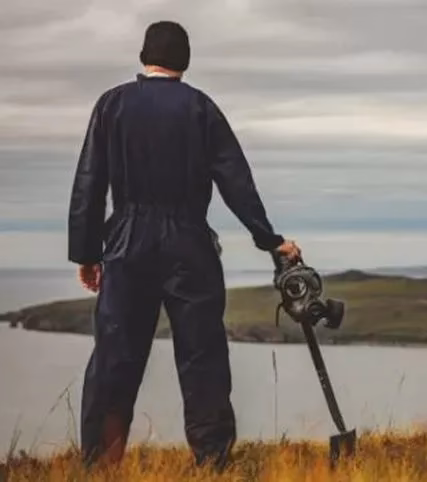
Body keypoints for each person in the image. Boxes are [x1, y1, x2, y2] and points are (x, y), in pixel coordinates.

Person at [67, 20, 300, 470]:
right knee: (202, 356)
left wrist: (87, 254)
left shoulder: (112, 105)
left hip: (126, 242)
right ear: (185, 60)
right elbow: (236, 180)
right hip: (189, 243)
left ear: (143, 56)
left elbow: (89, 184)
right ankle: (212, 463)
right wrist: (269, 240)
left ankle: (98, 465)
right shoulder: (201, 108)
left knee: (115, 357)